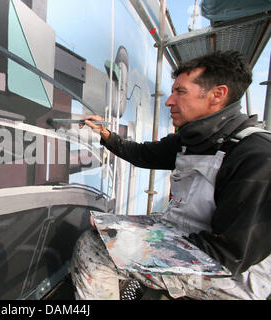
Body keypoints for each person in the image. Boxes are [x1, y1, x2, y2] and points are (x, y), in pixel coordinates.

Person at [72, 51, 271, 300]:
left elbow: (229, 255)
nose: (169, 101)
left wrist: (124, 237)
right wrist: (105, 133)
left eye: (180, 91)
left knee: (94, 247)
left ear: (217, 95)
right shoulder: (193, 138)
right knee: (107, 229)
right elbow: (144, 155)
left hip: (230, 274)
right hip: (189, 237)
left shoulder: (257, 155)